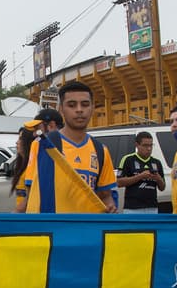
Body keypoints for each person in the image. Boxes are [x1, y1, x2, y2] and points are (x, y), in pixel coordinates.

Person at [15, 82, 117, 213]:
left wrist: (111, 206)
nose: (79, 109)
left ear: (92, 108)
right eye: (72, 105)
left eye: (85, 104)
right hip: (55, 230)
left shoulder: (101, 151)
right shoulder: (42, 146)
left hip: (86, 231)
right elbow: (31, 196)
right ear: (61, 109)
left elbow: (106, 196)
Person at [116, 131, 165, 213]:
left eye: (151, 145)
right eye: (145, 145)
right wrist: (140, 176)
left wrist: (158, 179)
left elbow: (162, 188)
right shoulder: (128, 159)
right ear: (137, 145)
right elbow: (119, 182)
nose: (149, 149)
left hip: (152, 207)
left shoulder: (156, 162)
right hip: (132, 208)